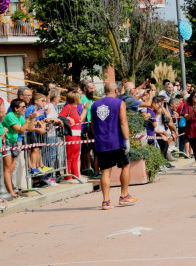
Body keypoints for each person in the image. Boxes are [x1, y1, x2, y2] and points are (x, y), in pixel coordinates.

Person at [91, 82, 137, 210]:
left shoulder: (94, 105)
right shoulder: (119, 103)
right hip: (116, 140)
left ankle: (106, 201)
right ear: (116, 90)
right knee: (126, 165)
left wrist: (98, 137)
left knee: (105, 171)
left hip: (102, 142)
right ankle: (124, 195)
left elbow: (93, 125)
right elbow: (123, 122)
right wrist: (127, 139)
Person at [59, 91, 88, 182]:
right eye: (79, 98)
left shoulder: (75, 108)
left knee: (75, 156)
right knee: (69, 156)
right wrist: (68, 118)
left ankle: (75, 175)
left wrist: (85, 109)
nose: (80, 99)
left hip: (77, 134)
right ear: (75, 99)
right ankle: (68, 177)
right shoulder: (68, 107)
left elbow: (80, 120)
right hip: (70, 135)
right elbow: (60, 117)